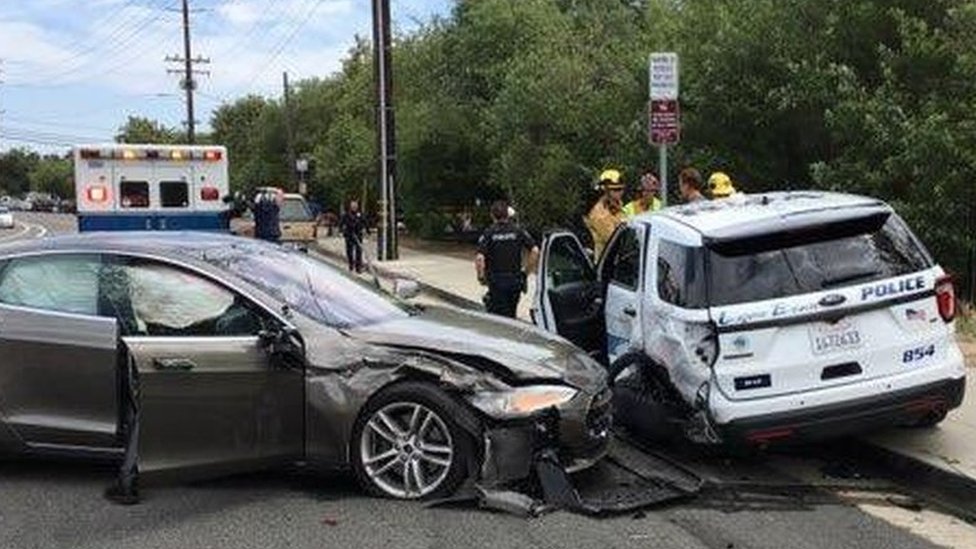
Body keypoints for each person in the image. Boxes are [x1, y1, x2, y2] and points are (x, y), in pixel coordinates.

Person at [476, 200, 539, 318]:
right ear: (507, 214)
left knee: (498, 318)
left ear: (492, 215)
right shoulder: (518, 231)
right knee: (511, 314)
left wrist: (481, 276)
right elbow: (535, 250)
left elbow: (480, 258)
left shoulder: (489, 233)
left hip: (496, 282)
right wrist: (526, 272)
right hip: (515, 281)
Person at [584, 169, 626, 258]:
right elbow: (616, 241)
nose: (620, 193)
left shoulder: (617, 207)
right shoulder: (600, 215)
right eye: (615, 190)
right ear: (605, 191)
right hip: (606, 264)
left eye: (621, 189)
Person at [340, 200, 367, 273]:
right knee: (349, 251)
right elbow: (342, 223)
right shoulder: (346, 214)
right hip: (349, 234)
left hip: (358, 235)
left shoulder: (360, 214)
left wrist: (366, 230)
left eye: (355, 206)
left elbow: (364, 222)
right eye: (353, 206)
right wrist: (341, 231)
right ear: (350, 206)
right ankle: (351, 265)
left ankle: (358, 267)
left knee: (359, 251)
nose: (354, 207)